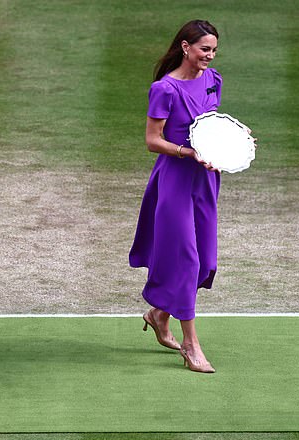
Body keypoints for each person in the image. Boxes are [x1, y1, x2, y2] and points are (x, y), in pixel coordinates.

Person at [129, 20, 224, 374]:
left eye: (213, 50)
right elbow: (152, 140)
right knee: (185, 260)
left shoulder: (213, 80)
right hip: (174, 180)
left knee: (205, 262)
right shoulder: (164, 89)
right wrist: (187, 153)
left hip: (206, 178)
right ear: (185, 47)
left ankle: (158, 314)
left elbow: (211, 125)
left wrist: (233, 143)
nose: (209, 56)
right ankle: (191, 344)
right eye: (204, 49)